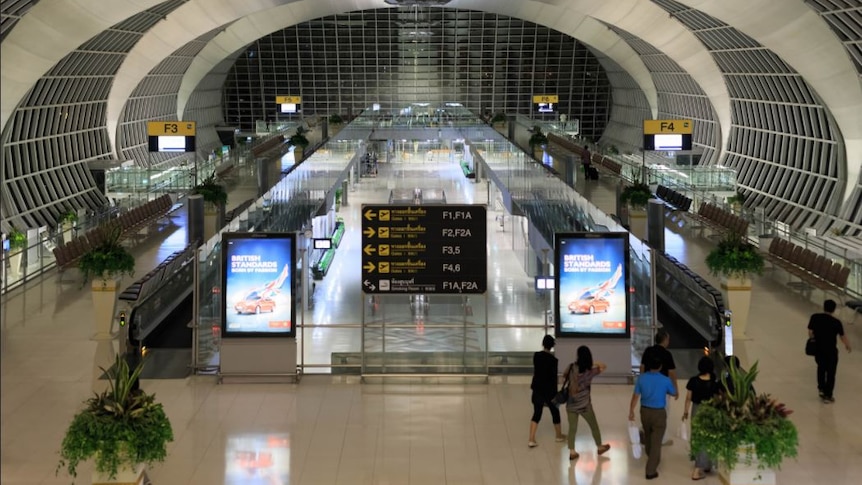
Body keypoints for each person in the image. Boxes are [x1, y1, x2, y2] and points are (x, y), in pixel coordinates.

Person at [629, 355, 677, 480]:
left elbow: (635, 396)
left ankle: (651, 455)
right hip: (659, 413)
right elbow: (673, 392)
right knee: (657, 441)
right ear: (660, 366)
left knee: (649, 434)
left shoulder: (641, 378)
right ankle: (650, 470)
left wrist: (631, 411)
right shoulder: (665, 380)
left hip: (644, 411)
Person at [564, 345, 611, 460]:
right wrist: (592, 363)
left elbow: (565, 376)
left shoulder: (571, 367)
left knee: (572, 428)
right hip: (585, 405)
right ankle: (599, 447)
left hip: (571, 404)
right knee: (593, 426)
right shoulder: (591, 371)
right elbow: (604, 366)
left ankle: (572, 451)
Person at [808, 299, 852, 403]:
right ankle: (828, 395)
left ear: (824, 307)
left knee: (821, 368)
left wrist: (814, 338)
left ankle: (821, 389)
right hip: (831, 350)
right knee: (831, 372)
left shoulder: (815, 317)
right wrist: (847, 345)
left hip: (818, 349)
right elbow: (842, 336)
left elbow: (810, 332)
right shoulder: (836, 322)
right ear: (834, 310)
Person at [683, 356, 720, 480]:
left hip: (696, 410)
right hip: (710, 411)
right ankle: (700, 468)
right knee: (710, 438)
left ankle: (702, 464)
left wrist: (685, 412)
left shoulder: (693, 381)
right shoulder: (714, 383)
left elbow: (688, 398)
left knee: (698, 438)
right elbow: (718, 400)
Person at [640, 329, 678, 445]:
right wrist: (675, 388)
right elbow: (671, 373)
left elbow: (642, 367)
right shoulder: (667, 354)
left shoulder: (648, 351)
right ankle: (661, 439)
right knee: (663, 412)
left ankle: (647, 435)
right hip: (663, 388)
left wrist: (642, 381)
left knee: (647, 409)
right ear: (665, 340)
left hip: (647, 386)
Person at [528, 335, 566, 447]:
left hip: (537, 388)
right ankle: (559, 436)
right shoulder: (554, 361)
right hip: (549, 391)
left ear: (543, 343)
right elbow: (553, 378)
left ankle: (531, 439)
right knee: (555, 412)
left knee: (537, 413)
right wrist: (555, 394)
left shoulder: (536, 356)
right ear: (552, 346)